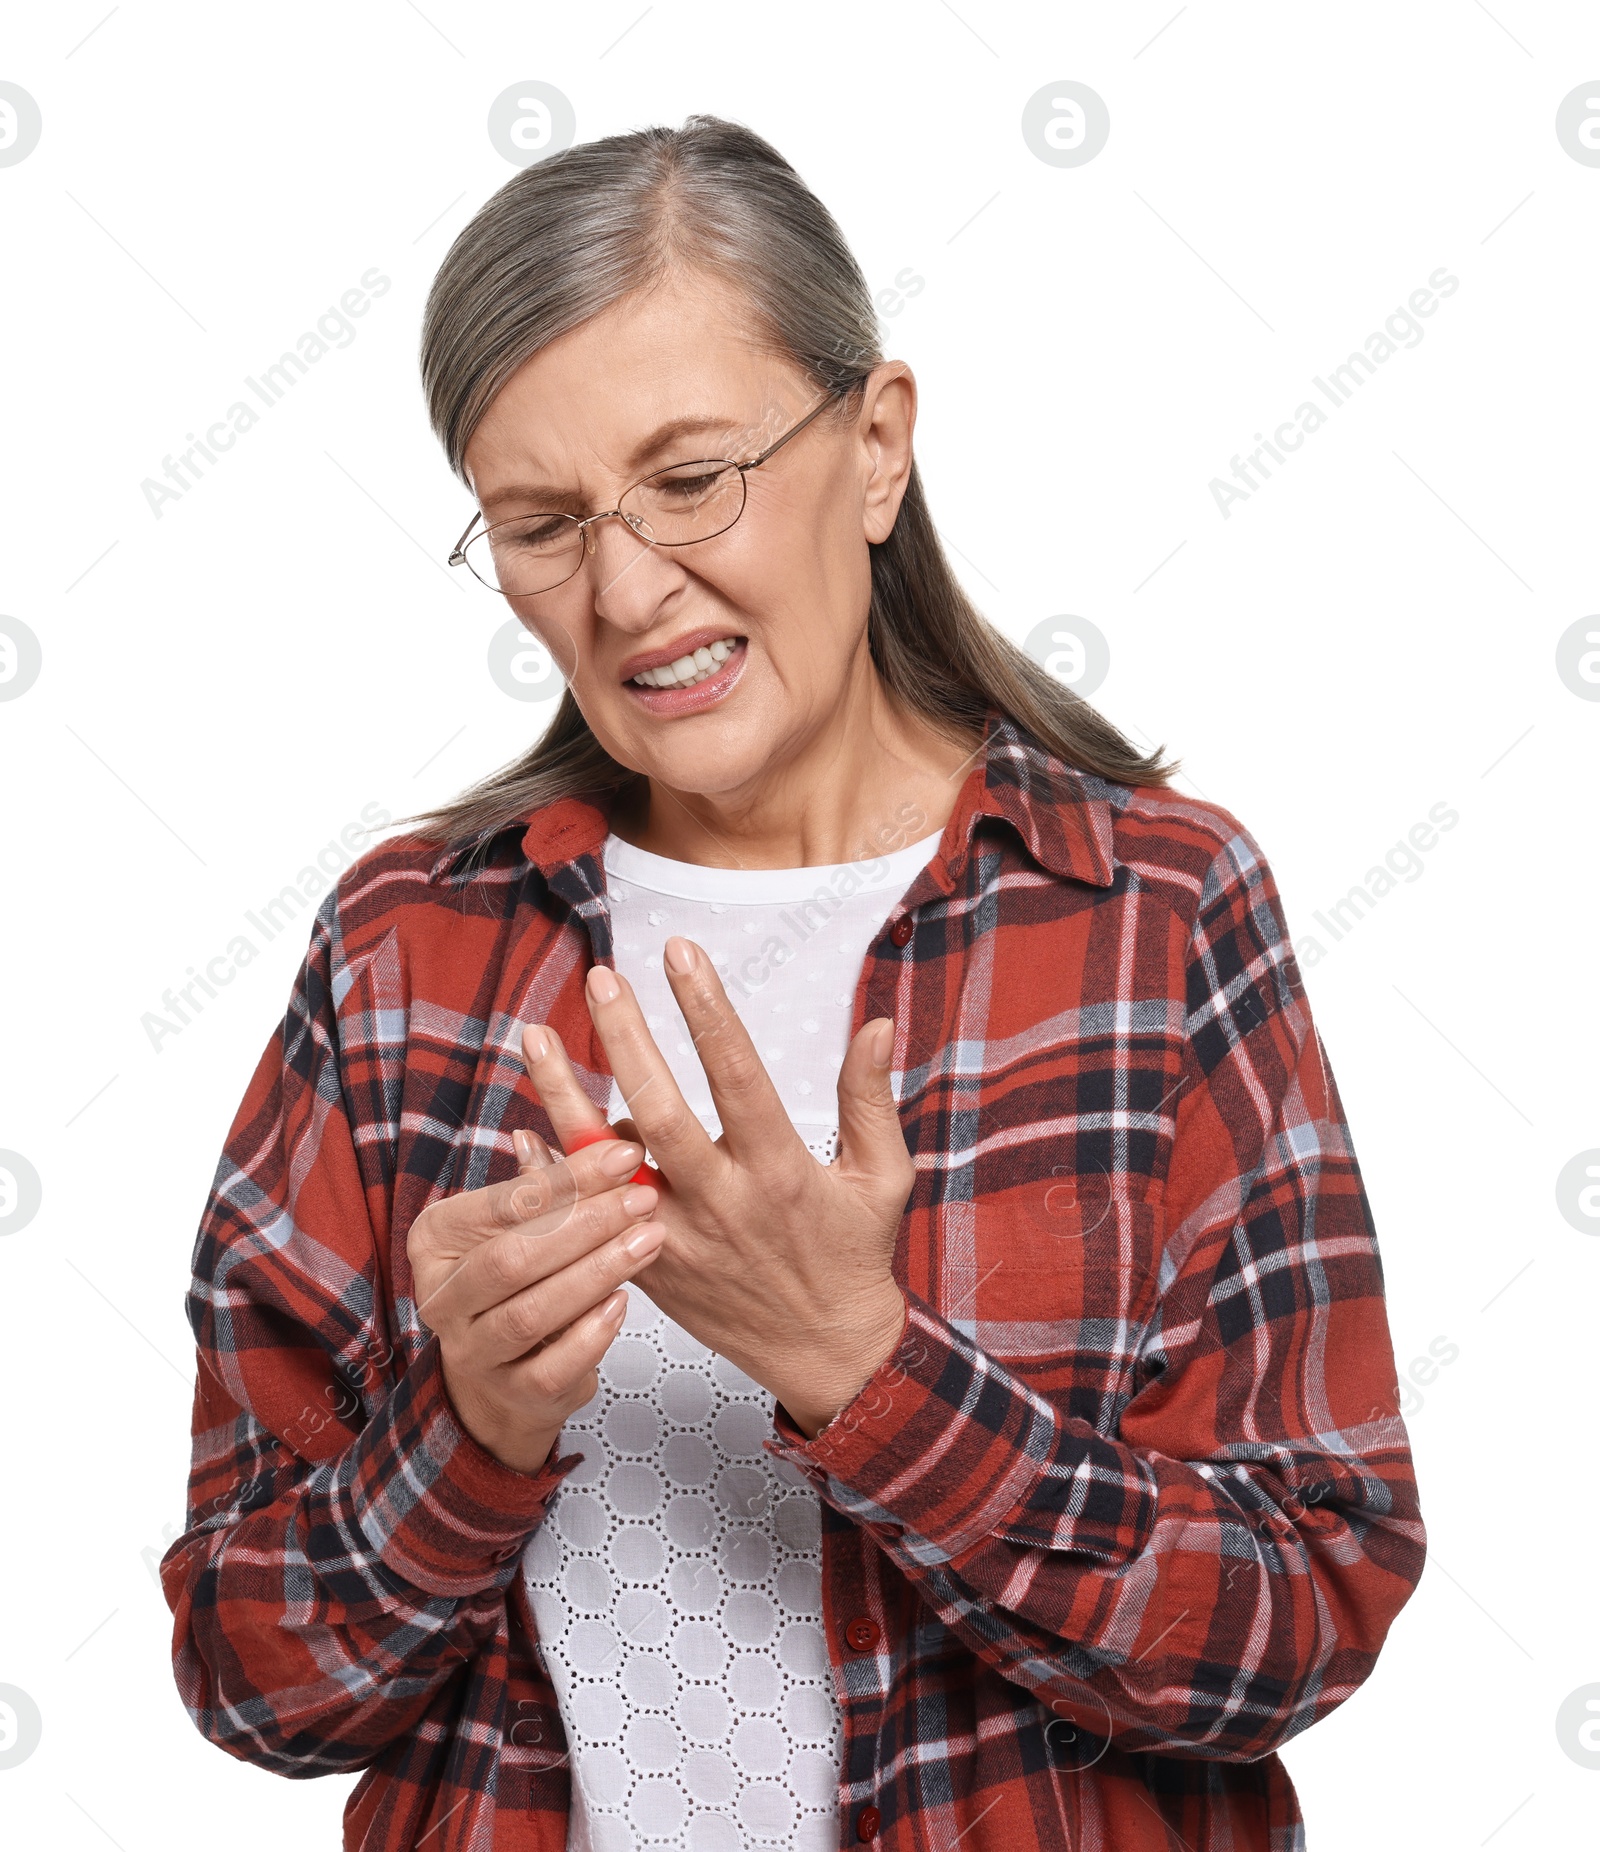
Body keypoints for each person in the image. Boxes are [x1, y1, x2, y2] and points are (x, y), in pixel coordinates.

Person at [161, 116, 1425, 1852]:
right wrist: (463, 1432)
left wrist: (864, 1368)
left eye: (691, 481)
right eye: (541, 525)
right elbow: (254, 1681)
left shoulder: (1151, 909)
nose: (623, 588)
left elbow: (1305, 1610)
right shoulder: (406, 952)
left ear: (879, 447)